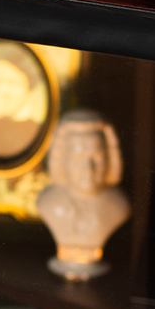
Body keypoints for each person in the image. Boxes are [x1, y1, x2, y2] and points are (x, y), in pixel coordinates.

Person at [37, 110, 130, 280]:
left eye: (97, 158)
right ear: (62, 159)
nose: (88, 169)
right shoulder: (48, 204)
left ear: (110, 157)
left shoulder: (119, 207)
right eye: (78, 158)